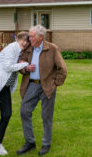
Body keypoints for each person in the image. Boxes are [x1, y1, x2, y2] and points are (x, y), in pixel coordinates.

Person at [16, 25, 67, 156]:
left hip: (47, 86)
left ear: (40, 37)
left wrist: (55, 83)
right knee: (24, 111)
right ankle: (30, 142)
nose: (29, 38)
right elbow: (20, 64)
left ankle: (46, 144)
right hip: (31, 85)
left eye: (31, 36)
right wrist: (25, 69)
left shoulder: (52, 48)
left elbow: (62, 69)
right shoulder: (28, 48)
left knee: (46, 117)